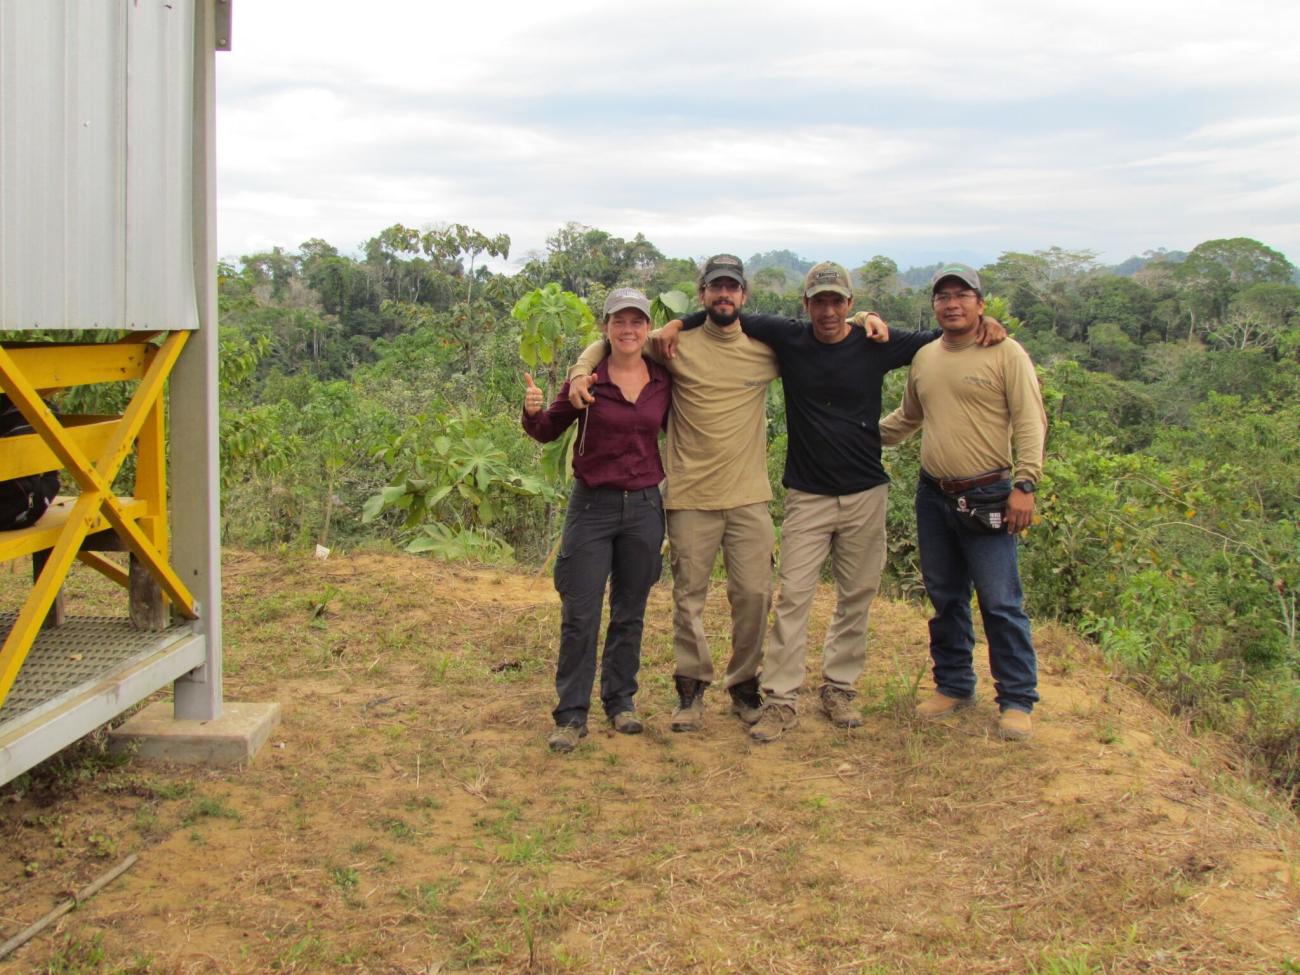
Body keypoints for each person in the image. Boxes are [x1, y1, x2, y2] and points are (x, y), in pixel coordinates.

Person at [661, 262, 1004, 743]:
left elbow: (939, 339)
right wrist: (677, 322)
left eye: (837, 301)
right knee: (793, 598)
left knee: (856, 596)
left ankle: (839, 687)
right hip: (807, 493)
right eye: (818, 301)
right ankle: (780, 698)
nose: (827, 310)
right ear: (805, 305)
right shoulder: (788, 337)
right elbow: (722, 314)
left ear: (848, 304)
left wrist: (980, 324)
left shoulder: (874, 343)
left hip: (866, 490)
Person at [567, 256, 783, 732]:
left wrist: (859, 319)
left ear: (743, 296)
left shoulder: (765, 351)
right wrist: (581, 370)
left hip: (749, 495)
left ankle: (745, 684)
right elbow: (616, 341)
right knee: (689, 599)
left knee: (754, 595)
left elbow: (823, 342)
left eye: (732, 289)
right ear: (702, 294)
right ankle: (691, 690)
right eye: (715, 288)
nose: (723, 296)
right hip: (688, 495)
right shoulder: (670, 345)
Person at [879, 263, 1047, 741]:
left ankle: (1016, 699)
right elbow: (907, 418)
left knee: (1000, 601)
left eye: (962, 295)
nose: (952, 303)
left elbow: (1031, 421)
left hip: (990, 491)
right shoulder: (927, 357)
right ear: (933, 305)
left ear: (980, 302)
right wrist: (855, 436)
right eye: (942, 296)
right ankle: (954, 685)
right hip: (933, 494)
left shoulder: (1006, 353)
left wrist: (1026, 484)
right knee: (945, 596)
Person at [523, 288, 671, 752]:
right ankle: (570, 715)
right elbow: (548, 429)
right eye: (619, 322)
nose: (628, 330)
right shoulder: (587, 382)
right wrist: (531, 411)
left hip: (645, 507)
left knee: (631, 611)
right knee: (581, 613)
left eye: (637, 322)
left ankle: (621, 700)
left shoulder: (664, 379)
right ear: (606, 328)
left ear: (647, 328)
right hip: (593, 508)